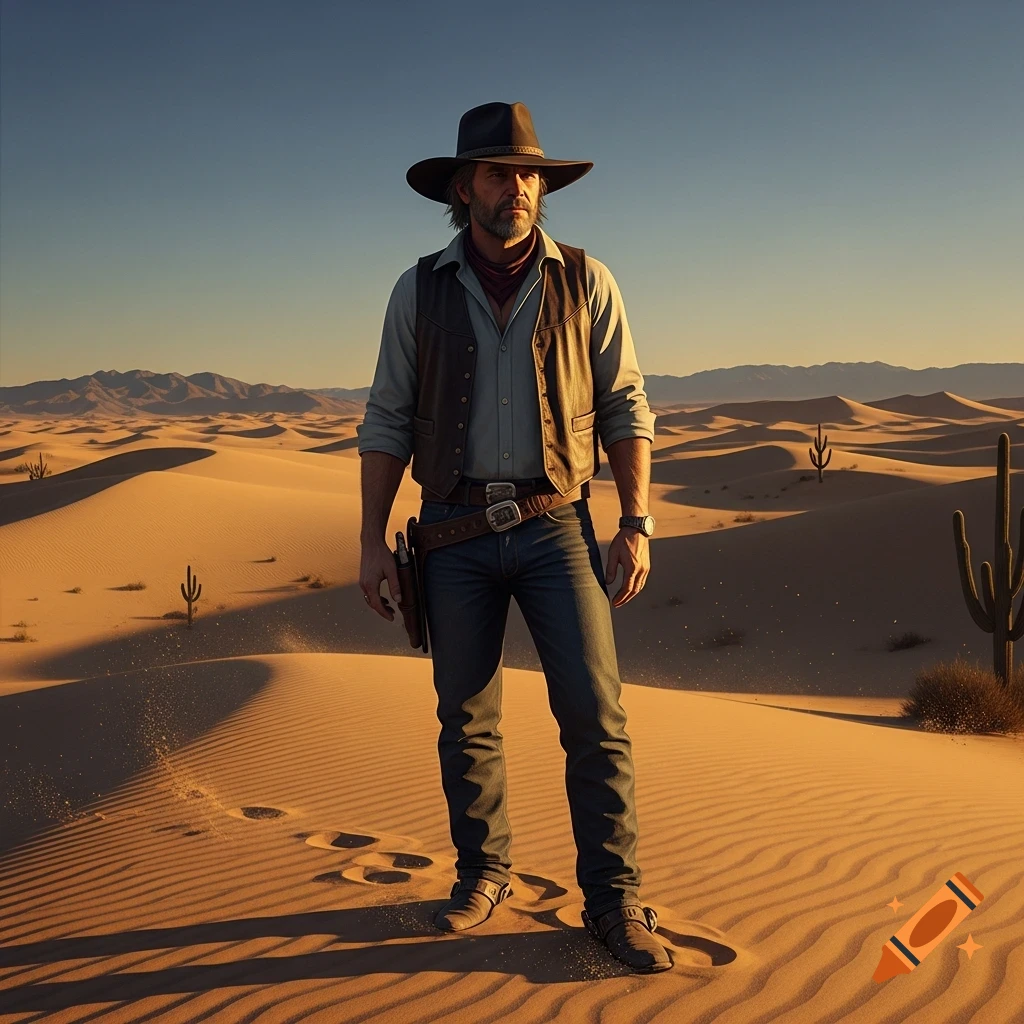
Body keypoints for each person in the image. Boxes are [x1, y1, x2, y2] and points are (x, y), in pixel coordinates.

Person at [356, 102, 668, 973]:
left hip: (554, 524)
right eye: (499, 174)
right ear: (464, 190)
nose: (519, 189)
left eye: (530, 174)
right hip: (450, 533)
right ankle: (482, 875)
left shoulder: (587, 280)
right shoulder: (418, 288)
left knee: (597, 718)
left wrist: (635, 520)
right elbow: (386, 415)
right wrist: (373, 540)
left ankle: (614, 901)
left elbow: (624, 404)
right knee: (466, 720)